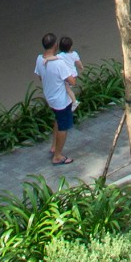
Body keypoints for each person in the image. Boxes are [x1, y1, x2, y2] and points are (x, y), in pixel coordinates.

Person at [36, 33, 81, 165]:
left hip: (50, 97)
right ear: (55, 45)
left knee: (57, 120)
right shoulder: (59, 63)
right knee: (63, 127)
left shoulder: (39, 59)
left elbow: (40, 77)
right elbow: (72, 81)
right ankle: (57, 156)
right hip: (61, 100)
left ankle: (54, 146)